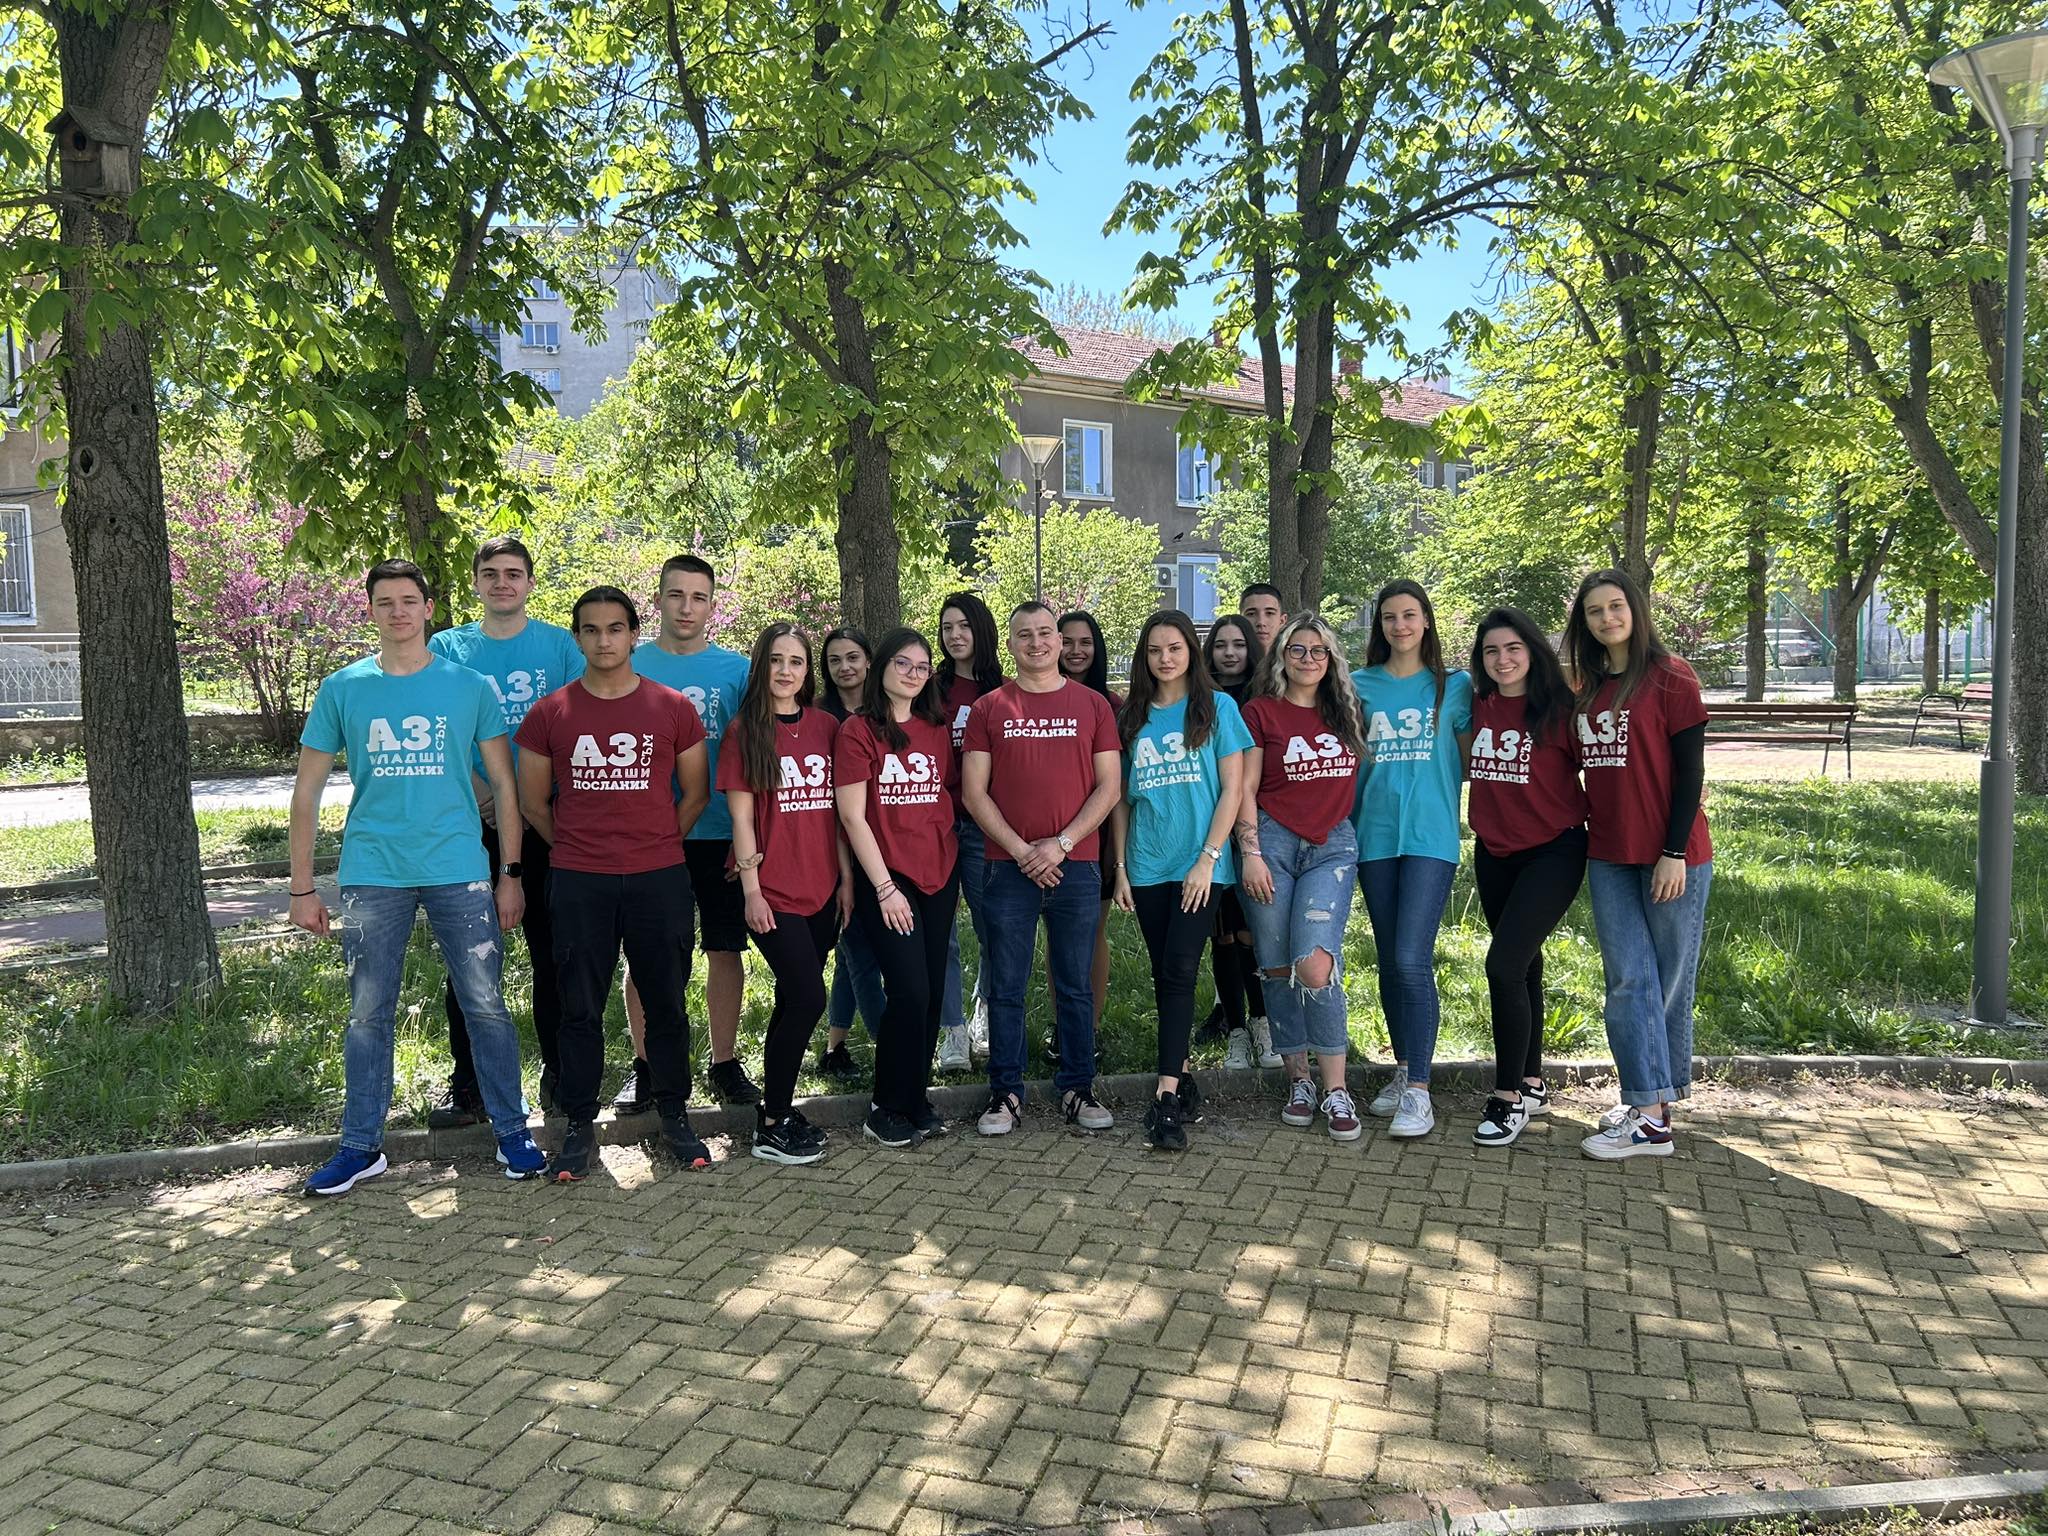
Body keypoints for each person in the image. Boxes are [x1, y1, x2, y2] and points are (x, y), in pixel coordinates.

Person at [289, 559, 545, 1195]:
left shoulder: (468, 686)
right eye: (385, 602)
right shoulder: (343, 688)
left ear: (429, 610)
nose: (398, 612)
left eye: (409, 601)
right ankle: (360, 1145)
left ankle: (512, 1132)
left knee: (486, 1005)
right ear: (371, 611)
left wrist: (510, 873)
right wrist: (302, 887)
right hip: (373, 872)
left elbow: (505, 786)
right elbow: (307, 792)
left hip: (460, 869)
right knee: (368, 1013)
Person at [514, 587, 712, 1181]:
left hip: (659, 878)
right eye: (592, 630)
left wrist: (657, 843)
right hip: (580, 881)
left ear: (633, 634)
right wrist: (580, 848)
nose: (604, 640)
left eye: (615, 629)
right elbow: (532, 802)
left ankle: (673, 1113)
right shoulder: (550, 713)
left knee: (666, 1003)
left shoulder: (671, 707)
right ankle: (579, 1123)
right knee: (578, 1007)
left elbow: (696, 792)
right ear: (577, 638)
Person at [426, 535, 584, 1125]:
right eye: (490, 573)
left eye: (513, 573)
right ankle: (467, 1086)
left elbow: (577, 728)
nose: (502, 582)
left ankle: (561, 1077)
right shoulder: (448, 647)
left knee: (554, 955)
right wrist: (485, 794)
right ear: (475, 582)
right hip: (472, 821)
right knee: (469, 960)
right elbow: (438, 727)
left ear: (530, 583)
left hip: (546, 821)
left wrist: (529, 800)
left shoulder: (560, 646)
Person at [1562, 569, 1713, 1161]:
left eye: (1616, 606)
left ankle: (1651, 1112)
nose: (1607, 618)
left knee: (1667, 982)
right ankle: (1649, 1105)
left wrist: (1673, 853)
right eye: (1594, 611)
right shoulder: (1585, 688)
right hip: (1608, 854)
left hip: (1670, 856)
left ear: (1635, 610)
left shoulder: (1671, 676)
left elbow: (1691, 772)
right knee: (1628, 979)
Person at [961, 601, 1122, 1135]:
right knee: (1007, 985)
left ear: (1059, 640)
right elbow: (974, 793)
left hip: (1076, 866)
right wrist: (1022, 851)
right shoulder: (989, 708)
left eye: (1046, 633)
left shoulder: (1093, 705)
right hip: (1006, 868)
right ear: (1010, 644)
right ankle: (1006, 1093)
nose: (1037, 643)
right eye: (1025, 635)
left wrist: (1061, 843)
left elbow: (1109, 786)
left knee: (1074, 984)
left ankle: (1077, 1087)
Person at [1109, 610, 1251, 1152]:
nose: (1164, 658)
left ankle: (1165, 1097)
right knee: (1163, 971)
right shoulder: (1132, 716)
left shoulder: (1217, 708)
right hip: (1147, 865)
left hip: (1200, 866)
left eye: (1174, 648)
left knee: (1180, 969)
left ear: (1191, 650)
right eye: (1154, 650)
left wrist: (1209, 859)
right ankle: (1184, 1076)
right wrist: (1121, 868)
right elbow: (1122, 800)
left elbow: (1232, 790)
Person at [626, 555, 759, 1110]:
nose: (686, 607)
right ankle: (646, 1065)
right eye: (676, 595)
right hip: (649, 835)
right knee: (648, 955)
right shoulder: (629, 662)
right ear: (658, 599)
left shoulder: (737, 670)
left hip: (723, 833)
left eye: (698, 597)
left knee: (725, 948)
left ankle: (724, 1063)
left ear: (711, 605)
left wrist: (751, 835)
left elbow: (757, 752)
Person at [720, 624, 853, 1165]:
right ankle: (772, 1124)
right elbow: (742, 820)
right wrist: (752, 892)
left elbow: (841, 813)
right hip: (772, 890)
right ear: (762, 666)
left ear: (807, 671)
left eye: (796, 661)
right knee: (808, 997)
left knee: (792, 1000)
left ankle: (774, 1110)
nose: (785, 671)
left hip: (822, 887)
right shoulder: (744, 732)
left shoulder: (827, 727)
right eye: (776, 660)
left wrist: (845, 881)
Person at [1350, 579, 1473, 1141]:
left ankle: (1420, 1090)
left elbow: (1471, 762)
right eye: (1389, 617)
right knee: (1387, 959)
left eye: (1409, 615)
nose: (1399, 625)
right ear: (1380, 625)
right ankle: (1403, 1070)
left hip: (1430, 837)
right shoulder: (1359, 685)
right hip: (1373, 837)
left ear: (1426, 621)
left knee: (1410, 958)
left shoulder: (1455, 686)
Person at [1238, 613, 1367, 1142]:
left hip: (1331, 844)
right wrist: (1249, 852)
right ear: (1281, 657)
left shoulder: (1348, 711)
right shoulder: (1260, 712)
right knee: (1275, 967)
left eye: (1318, 651)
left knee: (1314, 964)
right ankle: (1299, 1080)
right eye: (1297, 650)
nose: (1308, 659)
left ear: (1331, 658)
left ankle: (1336, 1087)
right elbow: (1244, 788)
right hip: (1270, 842)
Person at [1465, 607, 1588, 1148]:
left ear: (1533, 651)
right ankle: (1533, 1080)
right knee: (1525, 964)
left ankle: (1508, 1096)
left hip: (1554, 852)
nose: (1503, 659)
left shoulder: (1562, 710)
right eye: (1491, 650)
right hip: (1494, 852)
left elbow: (1610, 769)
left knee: (1503, 965)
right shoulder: (1478, 705)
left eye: (1513, 648)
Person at [835, 628, 960, 1147]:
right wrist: (885, 888)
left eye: (921, 666)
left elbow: (941, 795)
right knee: (908, 990)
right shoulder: (858, 731)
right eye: (902, 664)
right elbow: (853, 816)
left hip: (939, 872)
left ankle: (914, 1096)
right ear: (881, 667)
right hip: (887, 877)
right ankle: (885, 1105)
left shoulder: (936, 727)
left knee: (931, 992)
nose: (913, 673)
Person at [934, 592, 1005, 1071]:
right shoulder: (929, 688)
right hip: (936, 825)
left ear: (981, 630)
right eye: (947, 627)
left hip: (986, 827)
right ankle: (952, 1030)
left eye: (963, 626)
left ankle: (985, 1012)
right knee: (942, 932)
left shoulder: (1005, 691)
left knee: (993, 926)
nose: (955, 635)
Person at [1201, 614, 1275, 1070]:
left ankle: (1263, 1021)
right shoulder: (1200, 702)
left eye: (1238, 644)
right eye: (1220, 645)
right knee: (1222, 934)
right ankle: (1235, 1030)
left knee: (1253, 932)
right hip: (1209, 828)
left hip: (1257, 828)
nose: (1229, 653)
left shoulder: (1265, 698)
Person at [818, 627, 887, 1082]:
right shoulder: (819, 717)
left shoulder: (886, 712)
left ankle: (834, 1046)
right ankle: (891, 1048)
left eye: (853, 657)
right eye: (835, 660)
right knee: (858, 949)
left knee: (849, 954)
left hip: (881, 843)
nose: (845, 667)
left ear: (869, 661)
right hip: (832, 846)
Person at [1058, 609, 1120, 1028]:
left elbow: (1117, 784)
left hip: (1099, 832)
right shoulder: (1032, 701)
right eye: (1068, 641)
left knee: (1093, 928)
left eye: (1085, 642)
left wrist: (1115, 849)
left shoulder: (1111, 705)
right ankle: (1063, 1024)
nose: (1076, 651)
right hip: (1049, 834)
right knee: (1059, 934)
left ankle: (1091, 1026)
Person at [1239, 583, 1287, 653]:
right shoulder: (1229, 657)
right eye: (1251, 614)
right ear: (1241, 620)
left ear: (1282, 620)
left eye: (1269, 613)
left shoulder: (1294, 658)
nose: (1261, 622)